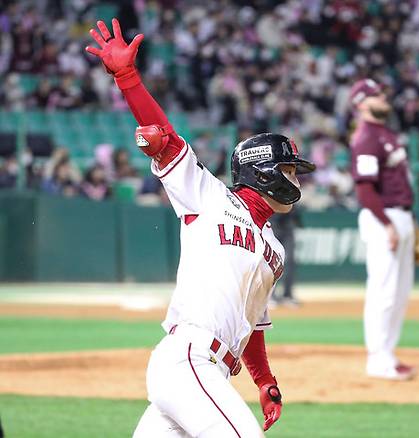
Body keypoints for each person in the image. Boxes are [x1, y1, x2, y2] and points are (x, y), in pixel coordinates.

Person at [86, 19, 316, 437]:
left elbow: (255, 323)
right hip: (188, 359)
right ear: (264, 172)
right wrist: (128, 78)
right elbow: (167, 140)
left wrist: (264, 381)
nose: (296, 179)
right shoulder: (209, 196)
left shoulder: (273, 249)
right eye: (289, 169)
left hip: (210, 373)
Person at [349, 78, 416, 380]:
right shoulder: (366, 138)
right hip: (382, 217)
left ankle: (388, 353)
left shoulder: (385, 133)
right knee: (384, 291)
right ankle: (377, 358)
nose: (383, 97)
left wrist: (407, 222)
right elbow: (365, 189)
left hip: (399, 215)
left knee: (400, 292)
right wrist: (388, 224)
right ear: (362, 103)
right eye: (376, 94)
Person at [269, 206, 301, 306]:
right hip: (273, 225)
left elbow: (295, 208)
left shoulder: (291, 193)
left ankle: (287, 295)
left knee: (289, 262)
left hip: (287, 226)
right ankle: (270, 295)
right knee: (271, 261)